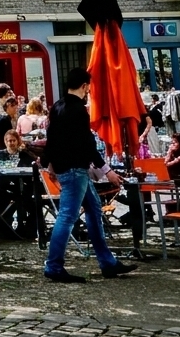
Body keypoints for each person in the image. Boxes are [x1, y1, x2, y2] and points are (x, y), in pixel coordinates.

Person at [41, 68, 136, 282]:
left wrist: (49, 164)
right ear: (84, 86)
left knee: (93, 210)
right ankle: (54, 266)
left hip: (67, 168)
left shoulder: (57, 107)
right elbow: (87, 144)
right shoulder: (79, 110)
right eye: (88, 88)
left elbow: (52, 138)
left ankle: (108, 263)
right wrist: (107, 170)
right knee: (67, 216)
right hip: (76, 170)